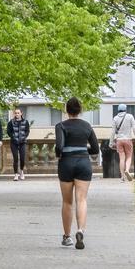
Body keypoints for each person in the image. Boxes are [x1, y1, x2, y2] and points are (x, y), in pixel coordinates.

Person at [55, 97, 97, 248]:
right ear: (80, 110)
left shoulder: (60, 126)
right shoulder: (87, 126)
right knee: (82, 199)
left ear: (66, 110)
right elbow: (95, 149)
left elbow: (59, 147)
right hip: (83, 163)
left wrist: (60, 154)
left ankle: (67, 237)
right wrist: (84, 150)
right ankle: (80, 230)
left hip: (66, 163)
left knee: (67, 202)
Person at [110, 104, 135, 182]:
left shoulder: (115, 118)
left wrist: (111, 142)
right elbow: (134, 128)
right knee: (129, 157)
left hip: (119, 140)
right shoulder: (130, 116)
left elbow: (113, 132)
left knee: (121, 158)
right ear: (125, 109)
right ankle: (127, 170)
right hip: (128, 140)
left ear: (118, 110)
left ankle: (122, 177)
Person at [6, 107, 31, 181]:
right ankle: (16, 174)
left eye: (18, 113)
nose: (17, 114)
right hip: (14, 142)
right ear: (14, 114)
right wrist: (13, 137)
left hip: (22, 142)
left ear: (21, 113)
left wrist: (24, 137)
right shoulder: (11, 122)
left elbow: (27, 131)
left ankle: (21, 172)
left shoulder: (26, 122)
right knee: (15, 158)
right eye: (15, 113)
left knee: (22, 158)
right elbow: (8, 131)